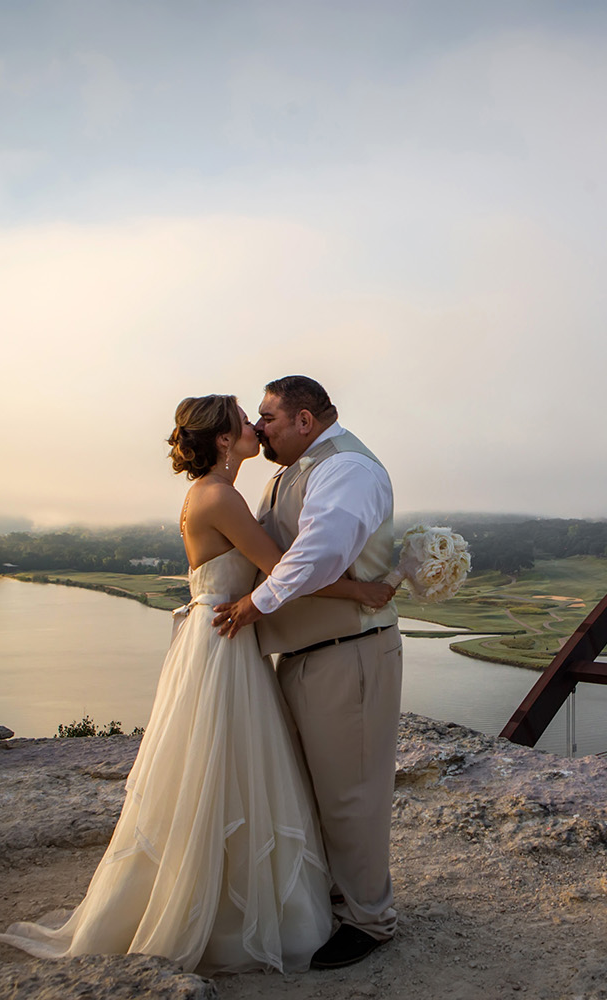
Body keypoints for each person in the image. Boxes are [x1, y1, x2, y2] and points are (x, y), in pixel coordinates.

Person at [0, 394, 393, 974]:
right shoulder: (221, 496)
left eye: (263, 416)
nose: (256, 426)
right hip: (225, 643)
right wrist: (360, 591)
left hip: (218, 639)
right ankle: (229, 909)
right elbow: (281, 565)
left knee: (220, 772)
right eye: (245, 421)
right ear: (225, 441)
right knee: (230, 772)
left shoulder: (215, 492)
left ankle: (239, 892)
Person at [212, 375, 402, 970]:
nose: (259, 427)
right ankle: (333, 902)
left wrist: (254, 605)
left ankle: (369, 921)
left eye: (267, 416)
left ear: (304, 420)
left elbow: (320, 553)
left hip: (350, 651)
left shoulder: (346, 468)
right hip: (304, 655)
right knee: (312, 792)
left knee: (352, 796)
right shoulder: (289, 471)